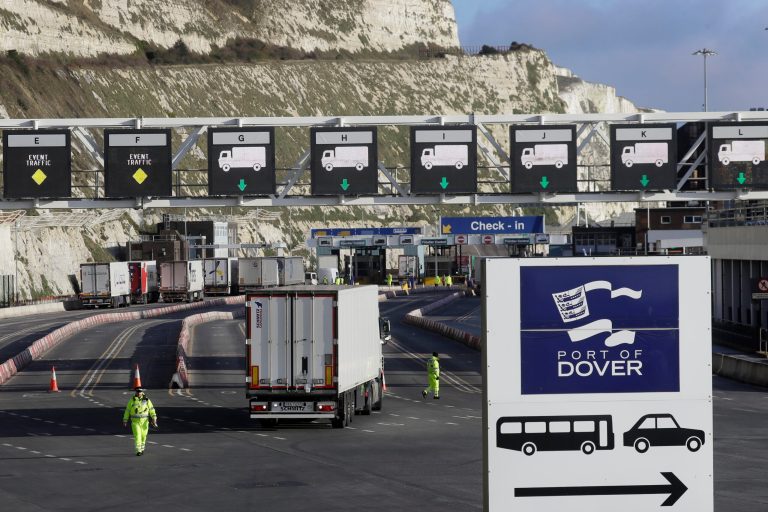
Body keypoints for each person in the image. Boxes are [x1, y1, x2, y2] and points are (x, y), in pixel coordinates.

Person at [122, 387, 157, 456]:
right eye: (137, 392)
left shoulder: (146, 400)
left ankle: (142, 448)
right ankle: (138, 450)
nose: (139, 393)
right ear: (136, 392)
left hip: (145, 422)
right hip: (135, 422)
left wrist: (154, 418)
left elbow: (151, 409)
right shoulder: (132, 400)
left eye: (140, 392)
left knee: (143, 436)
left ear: (142, 392)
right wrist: (125, 419)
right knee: (138, 436)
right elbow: (127, 410)